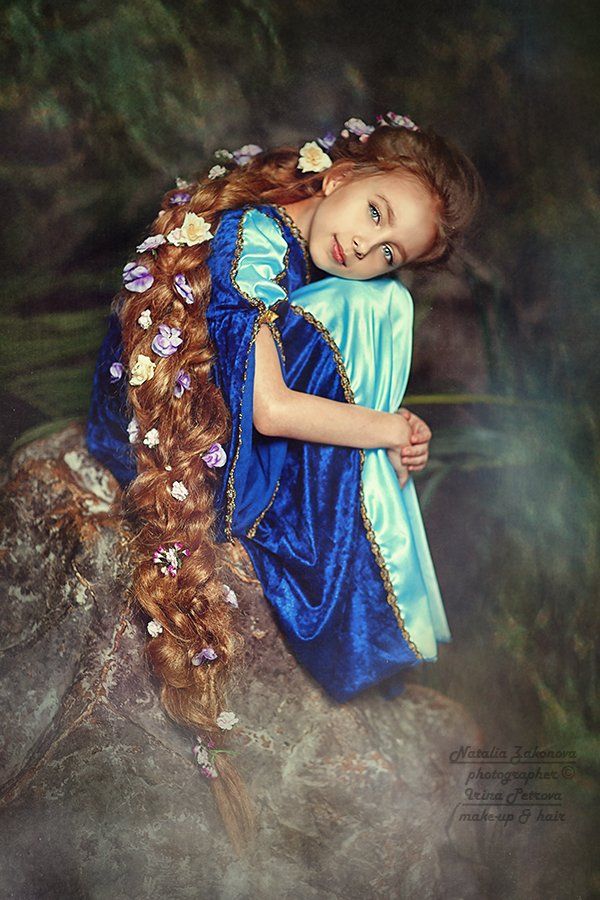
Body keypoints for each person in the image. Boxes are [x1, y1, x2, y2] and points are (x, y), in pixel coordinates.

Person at [86, 112, 483, 853]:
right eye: (375, 212)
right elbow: (267, 409)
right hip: (187, 433)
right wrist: (385, 428)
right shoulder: (257, 239)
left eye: (389, 249)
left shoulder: (318, 244)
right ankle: (332, 558)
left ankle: (367, 541)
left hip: (226, 411)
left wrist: (394, 428)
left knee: (382, 300)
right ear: (339, 178)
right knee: (375, 304)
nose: (364, 246)